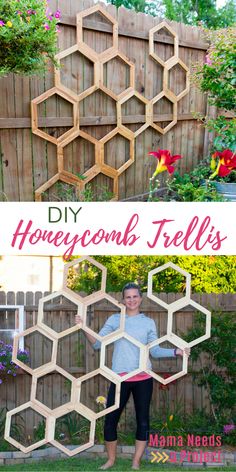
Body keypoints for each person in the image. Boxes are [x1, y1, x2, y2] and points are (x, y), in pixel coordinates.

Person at [75, 283, 190, 470]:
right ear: (123, 300)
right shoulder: (114, 320)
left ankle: (136, 461)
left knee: (143, 420)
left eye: (135, 296)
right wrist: (83, 327)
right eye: (128, 297)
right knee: (110, 420)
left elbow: (155, 351)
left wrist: (177, 351)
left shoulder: (148, 323)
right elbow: (97, 344)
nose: (132, 300)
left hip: (143, 378)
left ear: (140, 298)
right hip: (119, 379)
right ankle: (111, 460)